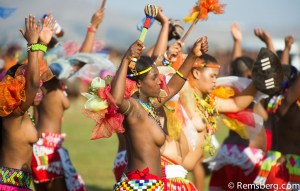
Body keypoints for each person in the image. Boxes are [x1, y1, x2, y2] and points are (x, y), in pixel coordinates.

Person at [109, 35, 208, 190]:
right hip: (138, 186)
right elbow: (116, 100)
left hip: (152, 184)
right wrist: (126, 60)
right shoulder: (133, 108)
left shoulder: (149, 105)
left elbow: (174, 86)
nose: (159, 81)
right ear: (140, 83)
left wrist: (193, 56)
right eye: (154, 78)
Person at [31, 2, 106, 190]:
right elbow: (79, 61)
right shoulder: (48, 80)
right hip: (46, 148)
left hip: (45, 147)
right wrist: (93, 27)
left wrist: (92, 26)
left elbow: (79, 60)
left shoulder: (49, 81)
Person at [208, 22, 268, 191]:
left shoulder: (230, 91)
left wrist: (237, 42)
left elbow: (236, 70)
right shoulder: (254, 94)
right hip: (249, 155)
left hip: (226, 151)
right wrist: (268, 44)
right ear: (251, 74)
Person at [0, 14, 54, 190]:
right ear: (16, 91)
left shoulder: (21, 115)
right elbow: (31, 82)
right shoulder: (13, 115)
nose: (40, 87)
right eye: (36, 86)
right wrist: (32, 45)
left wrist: (42, 45)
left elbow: (33, 76)